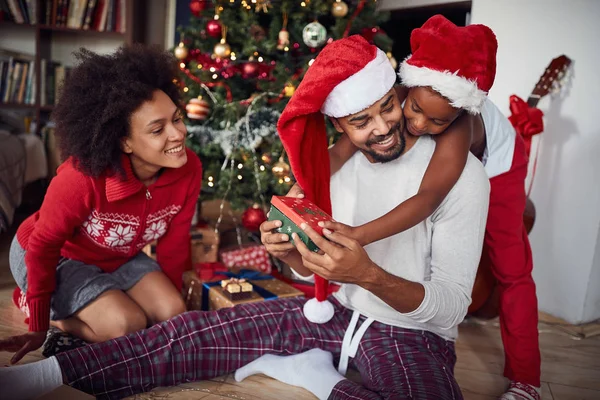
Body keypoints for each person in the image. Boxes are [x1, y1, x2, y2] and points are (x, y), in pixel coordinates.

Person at [0, 35, 489, 400]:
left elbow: (449, 309)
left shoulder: (461, 176)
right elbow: (312, 269)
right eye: (360, 122)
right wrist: (294, 256)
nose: (383, 128)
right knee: (185, 336)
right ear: (337, 123)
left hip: (409, 333)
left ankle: (318, 380)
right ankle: (33, 378)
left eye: (389, 108)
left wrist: (367, 274)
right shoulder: (330, 167)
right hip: (329, 309)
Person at [320, 16, 542, 400]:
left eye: (436, 120)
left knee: (512, 268)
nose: (419, 125)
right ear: (408, 85)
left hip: (501, 164)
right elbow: (339, 151)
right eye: (415, 109)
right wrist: (298, 189)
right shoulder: (402, 95)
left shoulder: (457, 124)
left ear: (457, 114)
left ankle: (527, 379)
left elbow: (428, 198)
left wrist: (357, 234)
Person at [0, 45, 202, 365]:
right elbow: (43, 245)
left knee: (173, 313)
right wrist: (39, 326)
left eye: (177, 119)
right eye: (157, 129)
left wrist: (169, 301)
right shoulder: (81, 178)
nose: (179, 134)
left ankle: (103, 300)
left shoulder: (188, 169)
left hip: (118, 256)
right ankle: (46, 309)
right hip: (56, 256)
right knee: (127, 324)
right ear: (124, 141)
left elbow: (174, 243)